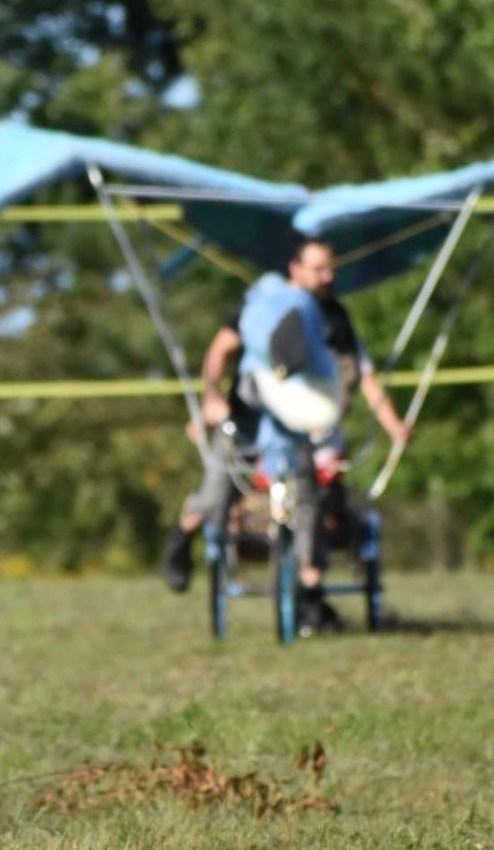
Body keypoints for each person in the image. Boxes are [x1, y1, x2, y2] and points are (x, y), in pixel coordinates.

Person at [161, 236, 409, 632]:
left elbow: (360, 375)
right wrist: (211, 399)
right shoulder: (264, 303)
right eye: (318, 269)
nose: (327, 277)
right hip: (247, 421)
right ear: (295, 268)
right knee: (216, 495)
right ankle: (182, 537)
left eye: (330, 268)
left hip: (297, 430)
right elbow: (221, 350)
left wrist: (392, 424)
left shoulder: (334, 316)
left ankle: (310, 593)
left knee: (310, 498)